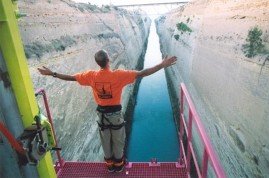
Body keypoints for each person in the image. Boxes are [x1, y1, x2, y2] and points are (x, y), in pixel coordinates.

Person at [38, 49, 177, 173]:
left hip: (102, 116)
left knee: (105, 141)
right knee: (118, 140)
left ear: (97, 63)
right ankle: (119, 166)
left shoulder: (91, 76)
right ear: (108, 60)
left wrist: (52, 73)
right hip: (115, 116)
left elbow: (71, 78)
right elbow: (143, 73)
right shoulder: (119, 75)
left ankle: (110, 167)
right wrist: (161, 65)